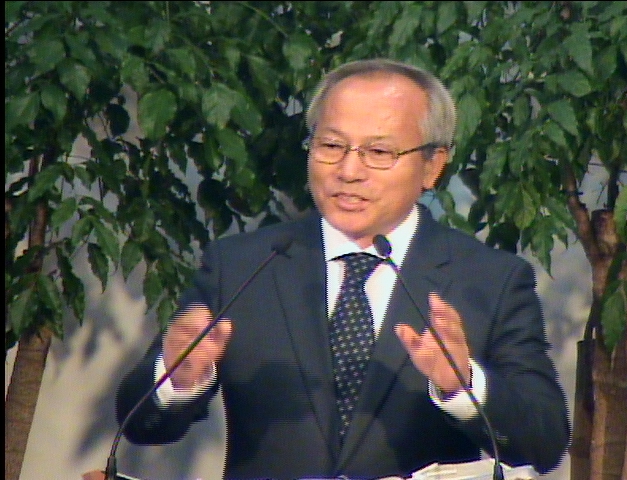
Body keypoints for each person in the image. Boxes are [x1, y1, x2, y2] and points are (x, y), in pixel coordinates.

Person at [116, 58, 570, 479]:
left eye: (379, 152)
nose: (349, 171)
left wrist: (463, 385)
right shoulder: (240, 265)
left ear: (433, 166)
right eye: (331, 145)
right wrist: (179, 379)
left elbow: (543, 444)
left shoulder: (491, 279)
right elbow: (139, 425)